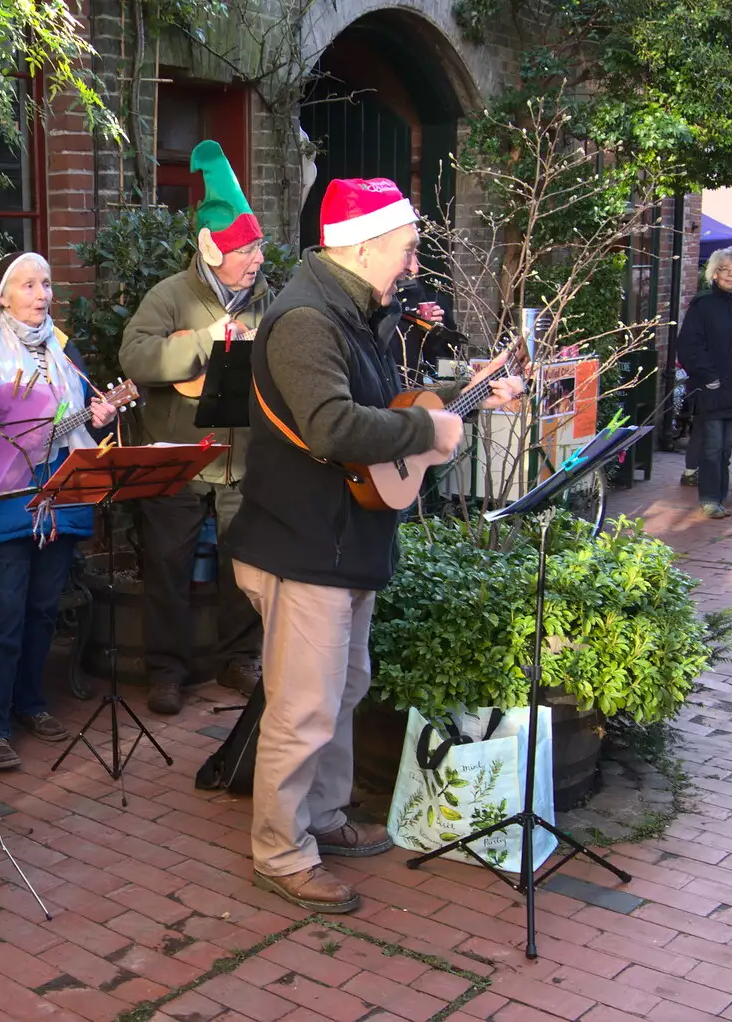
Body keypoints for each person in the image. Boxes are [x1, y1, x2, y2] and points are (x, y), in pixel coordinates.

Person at [222, 178, 523, 913]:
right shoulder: (304, 322)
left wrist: (468, 402)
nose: (411, 259)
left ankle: (322, 818)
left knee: (343, 692)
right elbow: (332, 427)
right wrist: (429, 430)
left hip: (343, 542)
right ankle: (282, 851)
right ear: (361, 247)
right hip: (302, 548)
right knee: (303, 707)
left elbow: (390, 418)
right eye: (404, 245)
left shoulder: (359, 314)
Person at [119, 140, 268, 713]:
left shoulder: (266, 301)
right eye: (246, 250)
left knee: (243, 567)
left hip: (241, 463)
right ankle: (165, 671)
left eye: (258, 249)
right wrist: (208, 343)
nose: (257, 259)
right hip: (179, 458)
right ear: (214, 250)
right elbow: (135, 358)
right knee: (166, 568)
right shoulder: (169, 297)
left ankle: (239, 660)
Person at [0, 251, 116, 770]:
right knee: (4, 616)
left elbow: (84, 433)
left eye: (46, 284)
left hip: (60, 493)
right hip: (5, 501)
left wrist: (101, 417)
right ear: (2, 296)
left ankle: (30, 703)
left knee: (43, 610)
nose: (42, 294)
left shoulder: (66, 354)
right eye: (27, 285)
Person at [676, 247, 732, 519]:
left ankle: (719, 497)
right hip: (712, 390)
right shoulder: (703, 304)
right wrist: (709, 377)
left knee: (726, 449)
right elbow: (689, 346)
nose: (731, 275)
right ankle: (709, 498)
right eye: (725, 270)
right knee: (712, 447)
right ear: (714, 274)